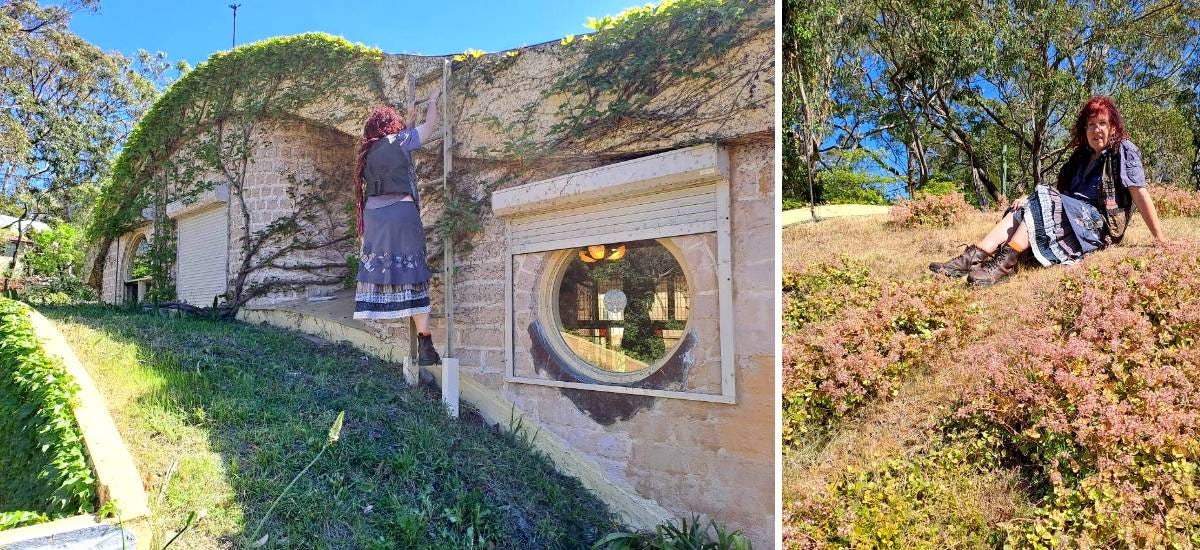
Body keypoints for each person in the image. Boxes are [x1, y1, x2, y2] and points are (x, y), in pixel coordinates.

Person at [929, 95, 1168, 286]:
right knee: (1022, 207)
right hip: (1067, 215)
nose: (1097, 130)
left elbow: (1139, 193)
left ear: (1113, 126)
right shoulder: (1081, 157)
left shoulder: (1123, 150)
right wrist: (1028, 198)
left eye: (1103, 123)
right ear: (1084, 130)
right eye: (1091, 125)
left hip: (1096, 224)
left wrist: (1159, 238)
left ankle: (1005, 262)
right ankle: (974, 257)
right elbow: (1059, 192)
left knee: (1041, 196)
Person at [352, 88, 442, 366]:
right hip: (401, 212)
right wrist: (433, 102)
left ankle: (388, 312)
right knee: (413, 269)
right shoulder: (400, 140)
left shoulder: (366, 153)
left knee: (384, 265)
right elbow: (427, 131)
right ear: (392, 126)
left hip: (374, 218)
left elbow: (404, 138)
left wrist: (409, 116)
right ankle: (425, 340)